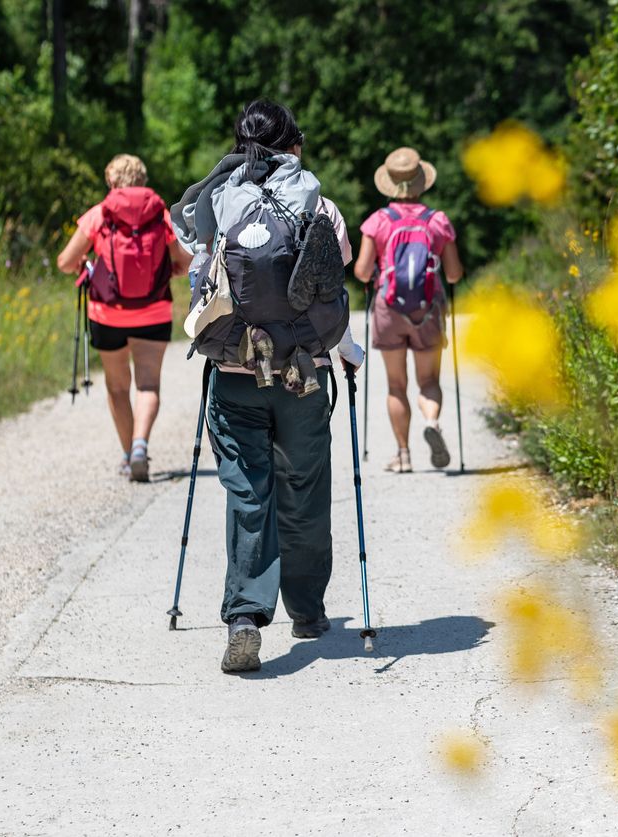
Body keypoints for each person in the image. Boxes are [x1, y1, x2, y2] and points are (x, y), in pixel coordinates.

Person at [171, 100, 364, 673]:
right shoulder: (321, 206)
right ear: (293, 146)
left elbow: (201, 281)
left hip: (235, 371)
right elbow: (331, 289)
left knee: (249, 493)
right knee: (303, 488)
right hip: (306, 374)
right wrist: (349, 356)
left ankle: (244, 619)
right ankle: (306, 610)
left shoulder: (217, 204)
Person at [56, 154, 191, 482]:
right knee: (147, 384)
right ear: (142, 181)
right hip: (154, 310)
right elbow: (185, 262)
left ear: (112, 183)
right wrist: (166, 270)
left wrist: (85, 263)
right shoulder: (161, 215)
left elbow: (65, 261)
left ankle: (129, 456)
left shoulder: (100, 214)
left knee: (117, 387)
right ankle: (142, 445)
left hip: (107, 313)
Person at [353, 146, 464, 474]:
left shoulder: (378, 221)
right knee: (428, 379)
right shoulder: (437, 221)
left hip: (389, 309)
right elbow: (455, 273)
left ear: (389, 183)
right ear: (421, 182)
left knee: (396, 385)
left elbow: (360, 271)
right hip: (427, 310)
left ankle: (403, 455)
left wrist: (376, 272)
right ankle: (432, 421)